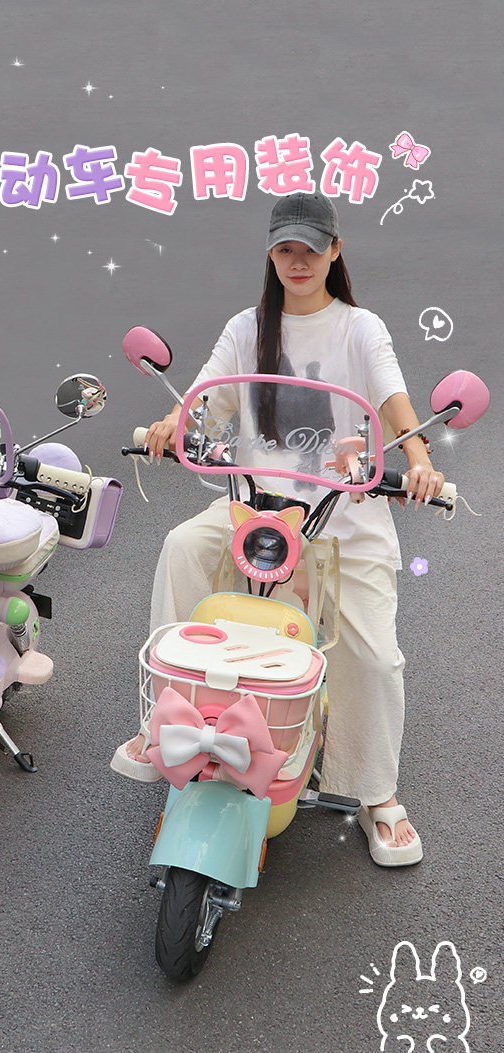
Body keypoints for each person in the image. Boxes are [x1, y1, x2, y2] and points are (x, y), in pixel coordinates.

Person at [111, 192, 445, 867]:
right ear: (270, 253)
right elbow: (206, 395)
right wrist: (173, 424)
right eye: (285, 249)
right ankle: (164, 724)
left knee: (374, 655)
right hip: (256, 508)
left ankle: (375, 792)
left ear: (335, 251)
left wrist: (418, 458)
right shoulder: (247, 328)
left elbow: (391, 396)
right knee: (183, 546)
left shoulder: (360, 327)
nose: (298, 262)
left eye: (311, 249)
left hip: (342, 516)